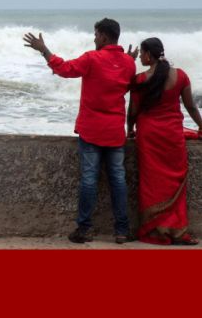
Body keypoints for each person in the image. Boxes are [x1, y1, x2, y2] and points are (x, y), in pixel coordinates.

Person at [24, 18, 137, 244]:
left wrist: (44, 50)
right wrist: (128, 60)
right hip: (115, 131)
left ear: (103, 37)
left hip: (92, 129)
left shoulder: (92, 58)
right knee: (118, 180)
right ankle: (122, 231)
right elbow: (125, 85)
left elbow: (65, 69)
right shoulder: (129, 63)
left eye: (96, 35)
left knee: (89, 180)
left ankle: (84, 229)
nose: (94, 39)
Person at [127, 37, 202, 245]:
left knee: (152, 184)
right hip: (172, 135)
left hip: (149, 137)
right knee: (174, 183)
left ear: (148, 55)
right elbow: (191, 107)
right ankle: (177, 231)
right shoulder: (181, 76)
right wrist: (201, 125)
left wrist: (130, 129)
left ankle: (154, 230)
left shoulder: (140, 80)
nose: (140, 58)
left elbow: (132, 112)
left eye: (142, 54)